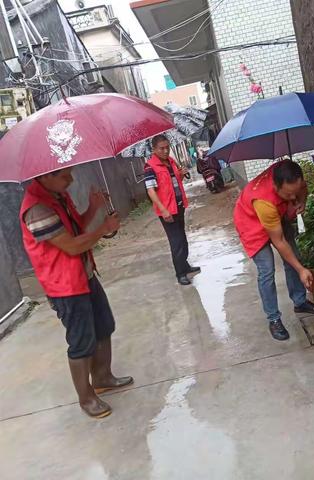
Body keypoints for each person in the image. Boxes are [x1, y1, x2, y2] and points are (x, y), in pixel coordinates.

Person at [20, 167, 133, 419]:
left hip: (85, 276)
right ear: (44, 175)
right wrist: (103, 228)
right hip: (66, 286)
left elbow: (74, 228)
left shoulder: (57, 195)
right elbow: (70, 246)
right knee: (82, 341)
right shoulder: (37, 208)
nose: (70, 180)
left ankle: (103, 376)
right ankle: (86, 398)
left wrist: (93, 208)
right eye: (64, 176)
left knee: (104, 325)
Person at [233, 160, 314, 341]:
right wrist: (301, 270)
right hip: (250, 223)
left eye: (295, 192)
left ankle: (299, 302)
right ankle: (274, 318)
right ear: (276, 186)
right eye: (289, 194)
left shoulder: (292, 177)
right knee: (267, 270)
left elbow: (302, 189)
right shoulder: (263, 202)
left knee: (295, 258)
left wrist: (302, 201)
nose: (292, 197)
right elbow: (280, 241)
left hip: (276, 215)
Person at [144, 134, 200, 286]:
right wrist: (163, 210)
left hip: (179, 205)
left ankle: (185, 265)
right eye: (161, 148)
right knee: (176, 242)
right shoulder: (150, 167)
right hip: (167, 210)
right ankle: (180, 273)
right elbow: (151, 191)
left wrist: (180, 175)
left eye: (167, 147)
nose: (165, 151)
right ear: (154, 149)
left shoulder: (171, 162)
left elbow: (174, 183)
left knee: (182, 238)